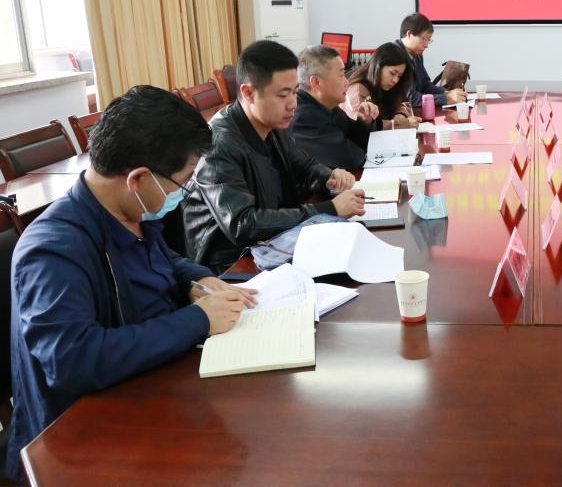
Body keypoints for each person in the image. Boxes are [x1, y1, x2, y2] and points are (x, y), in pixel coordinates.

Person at [6, 86, 257, 482]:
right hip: (86, 440)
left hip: (159, 384)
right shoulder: (53, 251)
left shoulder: (129, 211)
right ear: (138, 179)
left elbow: (164, 259)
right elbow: (73, 361)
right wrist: (198, 320)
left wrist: (199, 278)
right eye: (181, 183)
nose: (181, 194)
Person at [183, 40, 366, 271]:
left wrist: (329, 176)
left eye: (295, 92)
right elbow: (243, 224)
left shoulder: (272, 123)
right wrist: (329, 208)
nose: (293, 104)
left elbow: (305, 165)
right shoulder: (218, 145)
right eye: (282, 95)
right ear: (248, 93)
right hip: (233, 264)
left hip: (275, 242)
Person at [292, 45, 380, 170]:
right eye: (341, 75)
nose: (347, 82)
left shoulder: (326, 104)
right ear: (316, 82)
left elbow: (355, 138)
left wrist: (364, 120)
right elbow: (350, 159)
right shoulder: (303, 117)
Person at [395, 12, 467, 108]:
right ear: (409, 34)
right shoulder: (395, 56)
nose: (426, 45)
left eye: (429, 40)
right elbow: (410, 98)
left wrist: (446, 93)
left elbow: (425, 85)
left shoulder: (416, 54)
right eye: (424, 39)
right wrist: (447, 99)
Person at [347, 41, 420, 129]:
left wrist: (401, 114)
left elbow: (404, 102)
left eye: (399, 76)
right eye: (392, 73)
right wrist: (402, 123)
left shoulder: (386, 85)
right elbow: (365, 128)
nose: (395, 80)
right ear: (378, 66)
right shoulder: (358, 89)